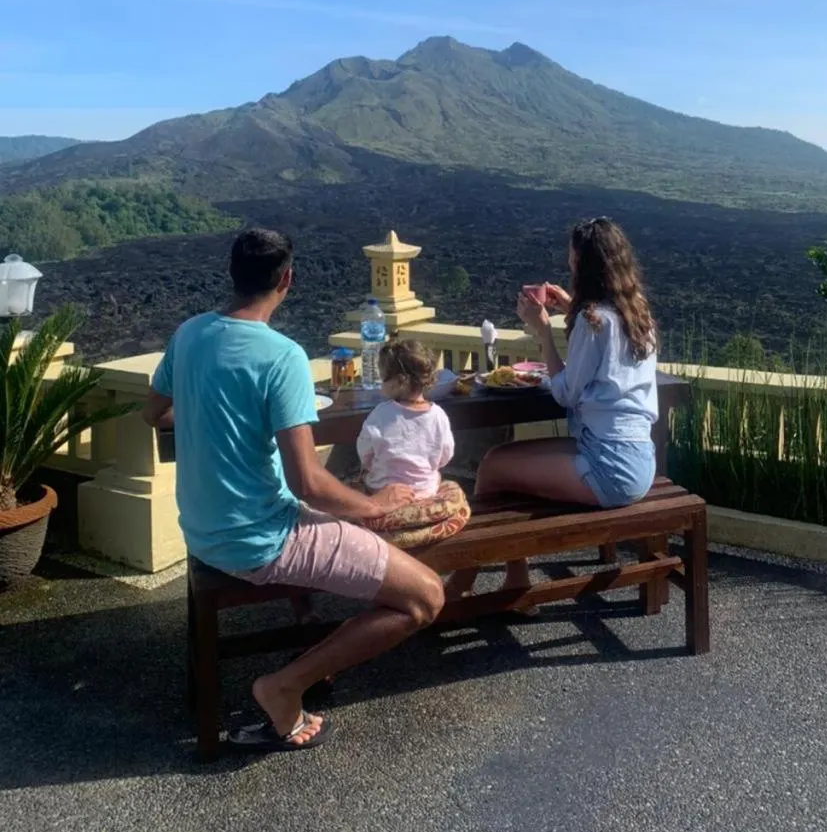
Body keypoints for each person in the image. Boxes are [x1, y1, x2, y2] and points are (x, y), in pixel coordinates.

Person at [143, 227, 444, 753]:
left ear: (232, 274)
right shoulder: (282, 357)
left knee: (334, 518)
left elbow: (155, 413)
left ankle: (310, 629)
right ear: (287, 279)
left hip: (201, 527)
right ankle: (285, 685)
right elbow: (311, 481)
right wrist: (376, 506)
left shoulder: (189, 334)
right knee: (425, 597)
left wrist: (212, 410)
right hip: (261, 538)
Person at [446, 217, 658, 600]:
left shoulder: (593, 323)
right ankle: (515, 579)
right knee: (506, 463)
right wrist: (574, 309)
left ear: (582, 264)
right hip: (638, 459)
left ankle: (468, 582)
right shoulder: (636, 314)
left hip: (607, 467)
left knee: (493, 467)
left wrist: (543, 331)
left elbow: (565, 393)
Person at [357, 341, 455, 499]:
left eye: (383, 379)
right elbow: (445, 456)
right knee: (437, 477)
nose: (381, 384)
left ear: (399, 381)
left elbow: (365, 454)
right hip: (425, 493)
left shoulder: (380, 413)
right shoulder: (439, 415)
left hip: (383, 493)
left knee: (358, 482)